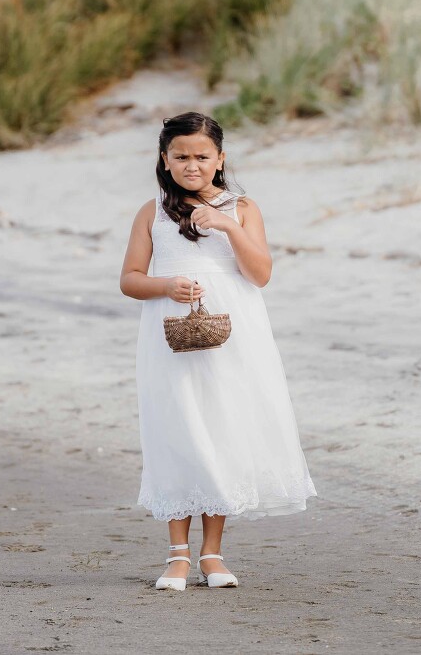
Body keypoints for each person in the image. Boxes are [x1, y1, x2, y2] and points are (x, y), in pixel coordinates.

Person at [117, 111, 317, 591]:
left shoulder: (242, 208)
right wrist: (166, 285)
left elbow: (260, 275)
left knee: (222, 430)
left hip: (235, 335)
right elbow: (130, 279)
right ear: (164, 159)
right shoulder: (152, 212)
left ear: (220, 159)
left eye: (202, 157)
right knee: (178, 431)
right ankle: (177, 556)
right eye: (181, 156)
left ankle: (212, 554)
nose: (192, 165)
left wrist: (228, 226)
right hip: (170, 336)